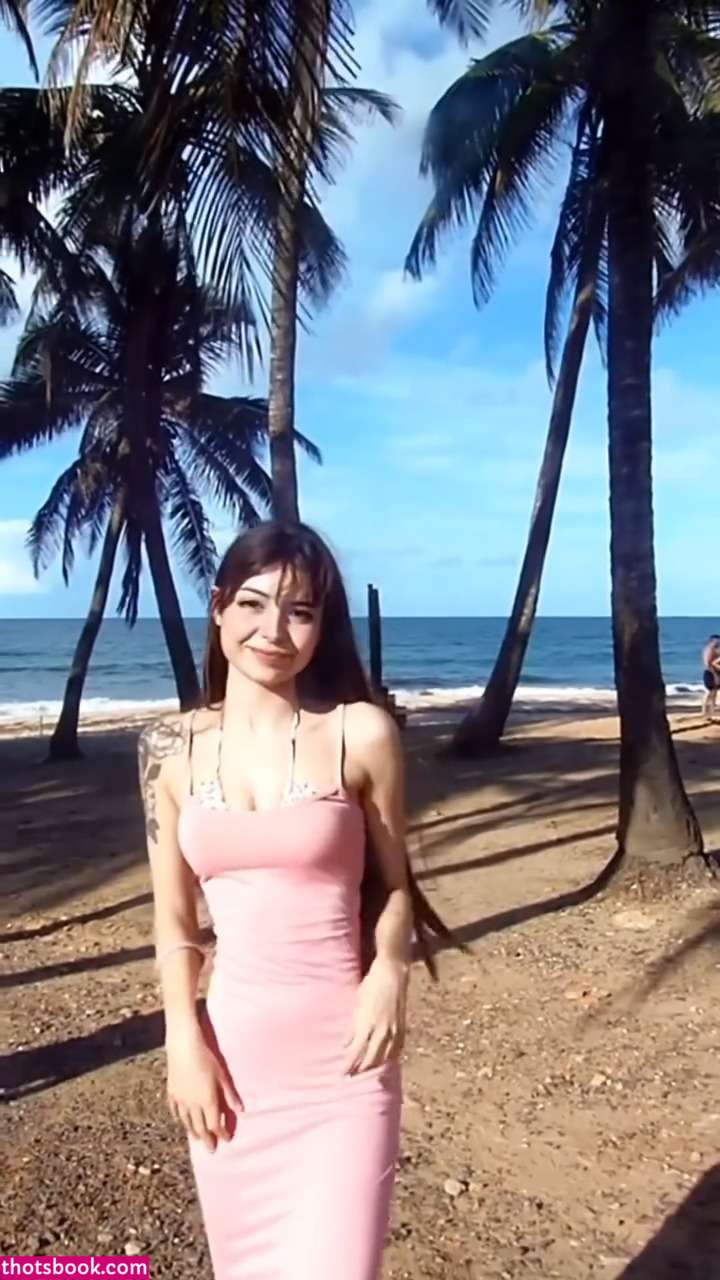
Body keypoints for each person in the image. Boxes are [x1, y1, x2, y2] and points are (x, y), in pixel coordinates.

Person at [137, 521, 450, 1280]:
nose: (273, 630)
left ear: (320, 627)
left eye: (299, 611)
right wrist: (183, 1041)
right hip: (232, 1062)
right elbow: (174, 919)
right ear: (218, 607)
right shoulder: (165, 750)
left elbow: (395, 885)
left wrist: (389, 973)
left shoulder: (360, 734)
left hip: (343, 1063)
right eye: (252, 603)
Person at [702, 634, 720, 720]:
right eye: (717, 641)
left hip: (713, 672)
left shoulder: (712, 649)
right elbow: (709, 664)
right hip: (711, 673)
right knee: (709, 693)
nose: (718, 643)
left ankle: (711, 713)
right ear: (712, 641)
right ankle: (705, 712)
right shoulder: (709, 650)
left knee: (714, 693)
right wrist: (715, 675)